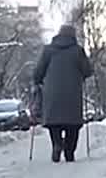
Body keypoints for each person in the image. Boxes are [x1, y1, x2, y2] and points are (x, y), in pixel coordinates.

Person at [33, 23, 94, 163]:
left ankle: (57, 144)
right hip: (73, 95)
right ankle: (69, 151)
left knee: (54, 123)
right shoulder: (78, 51)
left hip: (52, 94)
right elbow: (87, 70)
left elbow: (38, 72)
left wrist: (38, 81)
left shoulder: (48, 50)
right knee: (73, 124)